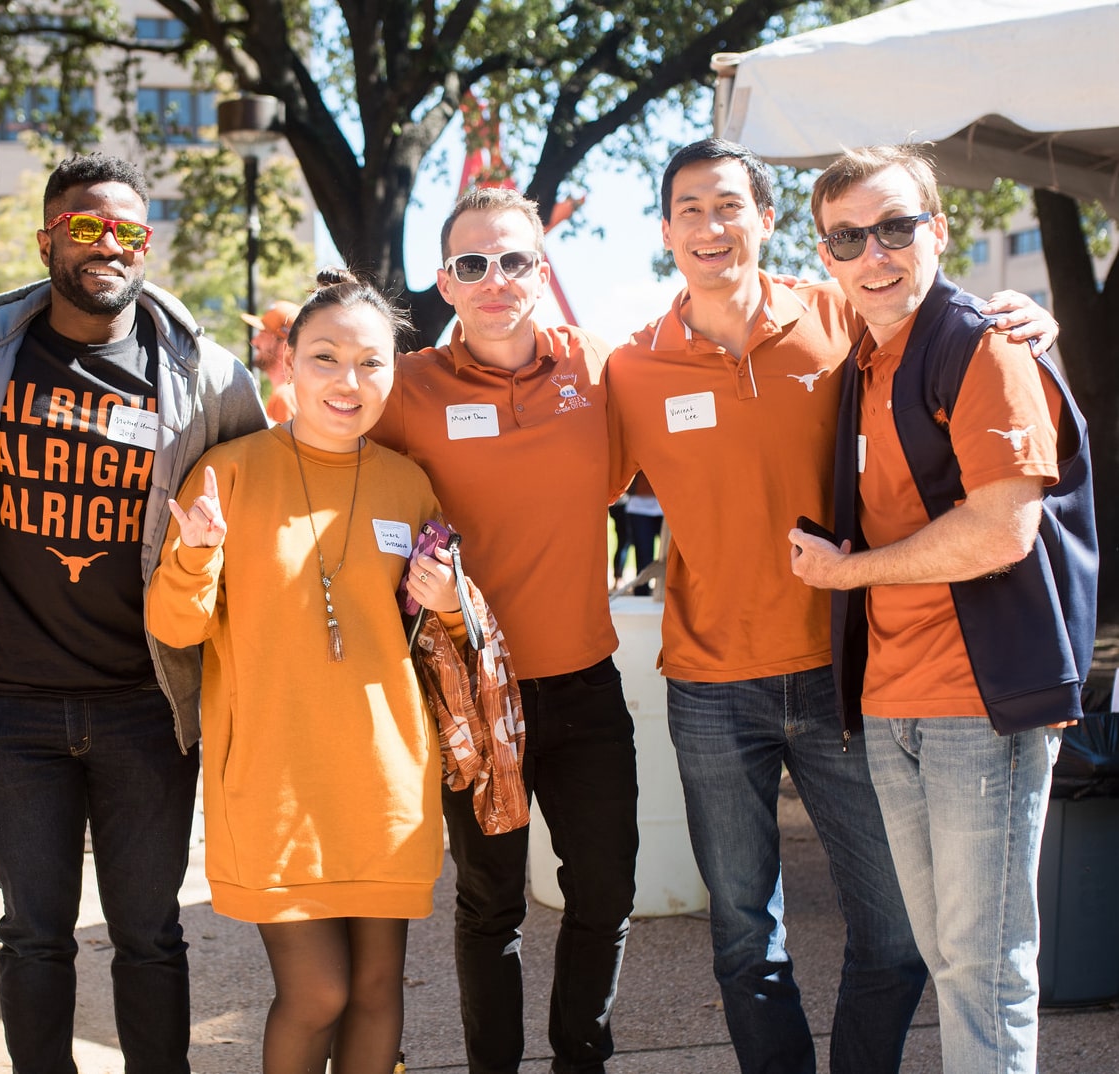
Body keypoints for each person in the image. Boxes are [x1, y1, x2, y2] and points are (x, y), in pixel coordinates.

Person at [605, 137, 1056, 1074]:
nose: (711, 225)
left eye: (730, 205)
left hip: (846, 674)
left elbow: (940, 329)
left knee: (896, 934)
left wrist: (1023, 317)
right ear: (665, 232)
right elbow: (558, 477)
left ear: (769, 223)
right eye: (690, 208)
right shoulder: (632, 369)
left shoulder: (842, 317)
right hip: (708, 683)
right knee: (742, 940)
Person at [0, 152, 266, 1072]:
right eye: (85, 226)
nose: (107, 245)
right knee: (33, 935)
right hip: (11, 710)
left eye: (127, 230)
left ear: (147, 245)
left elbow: (260, 511)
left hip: (144, 704)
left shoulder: (209, 378)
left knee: (151, 934)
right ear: (47, 238)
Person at [791, 143, 1096, 1074]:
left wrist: (847, 575)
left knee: (985, 966)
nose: (874, 254)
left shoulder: (981, 343)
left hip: (981, 700)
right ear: (825, 255)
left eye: (895, 227)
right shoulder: (867, 357)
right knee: (947, 956)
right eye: (848, 237)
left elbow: (1002, 532)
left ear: (940, 228)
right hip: (890, 700)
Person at [150, 267, 460, 1073]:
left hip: (385, 777)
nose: (348, 382)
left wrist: (453, 604)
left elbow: (438, 638)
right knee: (317, 992)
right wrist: (195, 553)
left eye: (370, 363)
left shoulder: (408, 483)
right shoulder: (230, 472)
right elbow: (173, 625)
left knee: (379, 987)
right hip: (274, 779)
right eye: (326, 358)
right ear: (286, 362)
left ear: (394, 372)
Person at [369, 186, 637, 1074]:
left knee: (604, 890)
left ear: (541, 269)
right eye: (472, 264)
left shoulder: (598, 371)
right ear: (445, 283)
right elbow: (316, 447)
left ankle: (581, 1061)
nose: (494, 279)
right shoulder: (405, 389)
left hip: (586, 686)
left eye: (513, 260)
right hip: (472, 694)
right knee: (492, 908)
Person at [243, 299, 300, 423]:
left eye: (263, 333)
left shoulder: (285, 397)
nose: (254, 341)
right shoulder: (294, 393)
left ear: (285, 345)